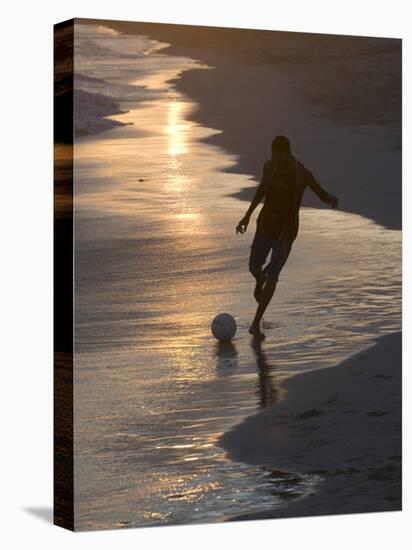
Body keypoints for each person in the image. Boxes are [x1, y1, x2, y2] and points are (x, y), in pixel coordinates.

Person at [236, 135, 339, 340]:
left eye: (280, 157)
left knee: (273, 278)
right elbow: (261, 191)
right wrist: (246, 216)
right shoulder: (269, 167)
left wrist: (330, 199)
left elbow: (320, 192)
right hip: (264, 225)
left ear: (288, 153)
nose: (277, 161)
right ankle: (260, 279)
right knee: (253, 267)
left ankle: (256, 324)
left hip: (286, 233)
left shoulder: (301, 173)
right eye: (274, 156)